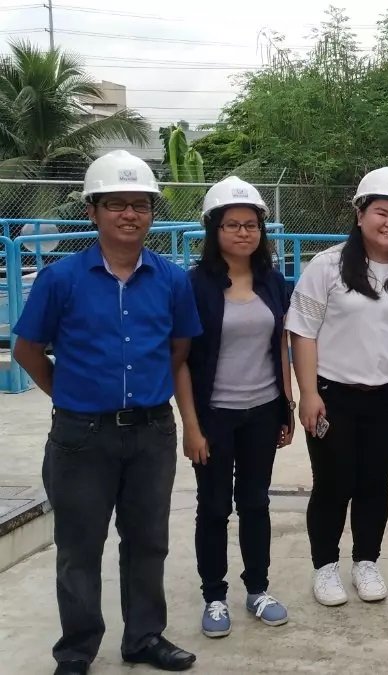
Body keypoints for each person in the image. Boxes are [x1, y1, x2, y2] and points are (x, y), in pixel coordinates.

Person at [12, 150, 201, 674]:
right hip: (80, 437)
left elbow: (179, 349)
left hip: (150, 434)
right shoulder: (60, 279)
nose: (129, 214)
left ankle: (143, 637)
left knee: (147, 542)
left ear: (151, 214)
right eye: (115, 204)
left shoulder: (171, 279)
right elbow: (27, 350)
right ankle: (76, 650)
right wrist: (69, 394)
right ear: (92, 211)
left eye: (140, 205)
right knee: (79, 547)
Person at [285, 166, 388, 607]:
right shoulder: (327, 267)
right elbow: (302, 333)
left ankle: (366, 561)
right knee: (332, 484)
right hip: (333, 398)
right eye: (381, 212)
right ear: (360, 213)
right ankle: (325, 566)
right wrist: (308, 393)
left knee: (374, 485)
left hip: (387, 398)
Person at [173, 177, 294, 638]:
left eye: (251, 225)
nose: (243, 233)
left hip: (262, 411)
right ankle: (214, 596)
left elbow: (279, 347)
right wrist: (191, 424)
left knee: (256, 503)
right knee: (214, 506)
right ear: (214, 230)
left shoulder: (272, 283)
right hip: (215, 415)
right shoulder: (194, 286)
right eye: (232, 225)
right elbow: (180, 361)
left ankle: (258, 589)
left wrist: (286, 407)